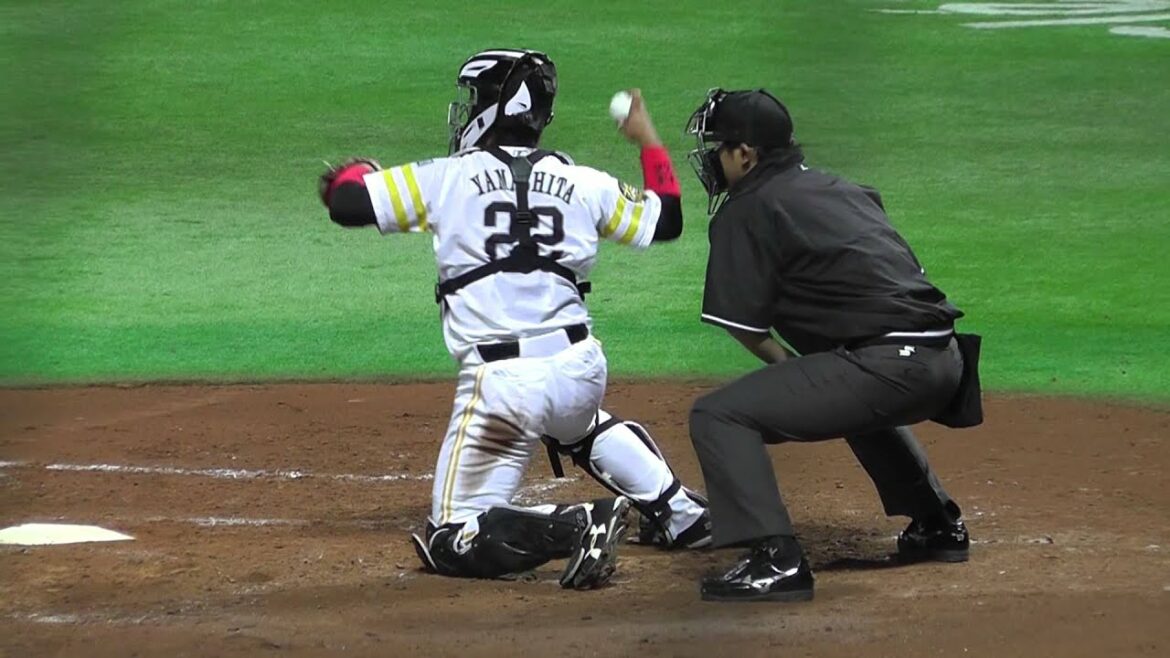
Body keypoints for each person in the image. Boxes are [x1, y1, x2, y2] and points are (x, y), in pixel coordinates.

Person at [316, 48, 711, 589]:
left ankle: (577, 524)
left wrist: (361, 172)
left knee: (452, 538)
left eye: (474, 98)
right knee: (577, 426)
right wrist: (648, 141)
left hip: (504, 387)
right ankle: (681, 513)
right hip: (578, 371)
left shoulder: (448, 178)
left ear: (494, 106)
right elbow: (666, 220)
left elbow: (345, 202)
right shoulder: (582, 180)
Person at [684, 88, 983, 602]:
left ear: (746, 154)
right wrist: (821, 372)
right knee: (843, 377)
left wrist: (795, 369)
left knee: (717, 416)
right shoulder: (841, 188)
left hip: (889, 367)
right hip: (944, 358)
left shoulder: (748, 208)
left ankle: (775, 558)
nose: (712, 160)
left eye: (719, 147)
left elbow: (746, 327)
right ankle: (936, 523)